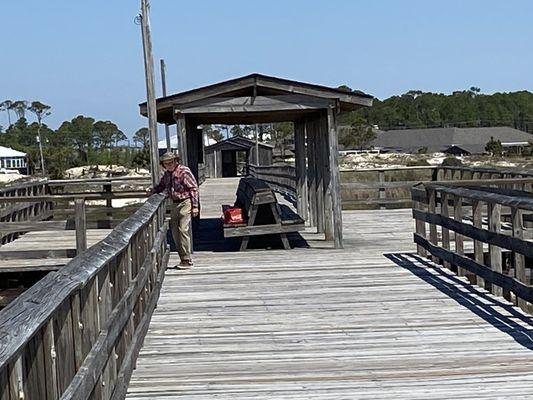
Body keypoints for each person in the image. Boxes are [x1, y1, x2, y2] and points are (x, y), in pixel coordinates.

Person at [151, 151, 199, 268]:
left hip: (185, 202)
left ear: (176, 161)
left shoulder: (184, 171)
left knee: (183, 229)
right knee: (174, 232)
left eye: (171, 162)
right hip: (174, 204)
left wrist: (195, 206)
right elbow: (162, 186)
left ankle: (187, 259)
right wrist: (153, 191)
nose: (169, 165)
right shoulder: (167, 174)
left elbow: (193, 188)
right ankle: (182, 258)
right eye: (166, 163)